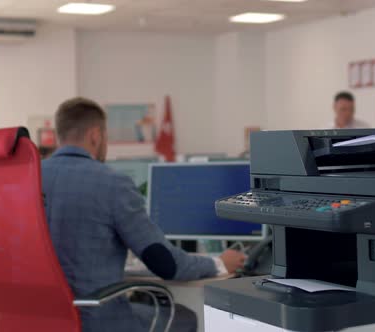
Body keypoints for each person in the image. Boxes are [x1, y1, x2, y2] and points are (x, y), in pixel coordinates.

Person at [41, 97, 246, 332]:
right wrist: (219, 263)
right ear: (96, 135)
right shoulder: (112, 183)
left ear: (60, 134)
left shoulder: (29, 178)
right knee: (185, 318)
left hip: (39, 319)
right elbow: (166, 264)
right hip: (97, 319)